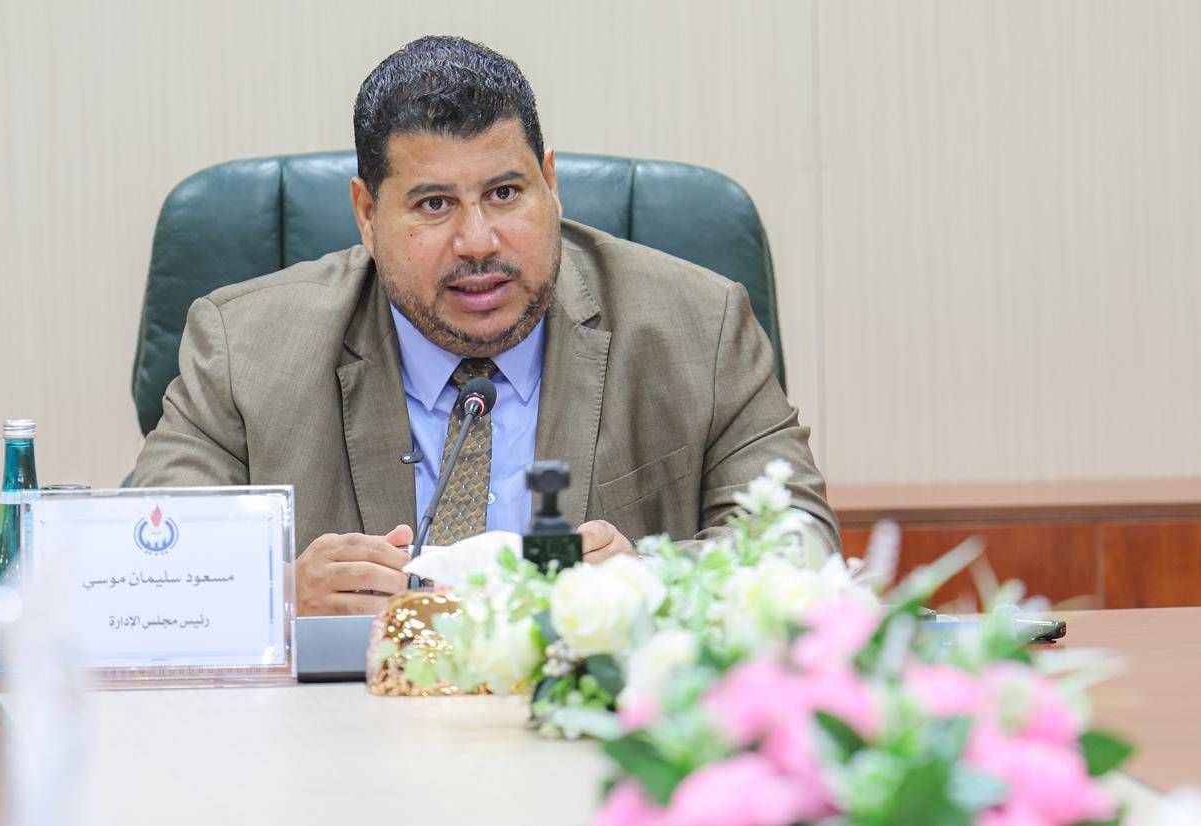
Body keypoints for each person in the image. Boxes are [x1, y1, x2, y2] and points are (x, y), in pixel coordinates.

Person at [130, 36, 839, 615]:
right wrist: (277, 594)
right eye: (434, 205)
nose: (477, 242)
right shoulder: (245, 349)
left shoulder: (700, 327)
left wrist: (648, 582)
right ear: (368, 215)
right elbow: (142, 574)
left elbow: (802, 548)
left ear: (550, 186)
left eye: (505, 193)